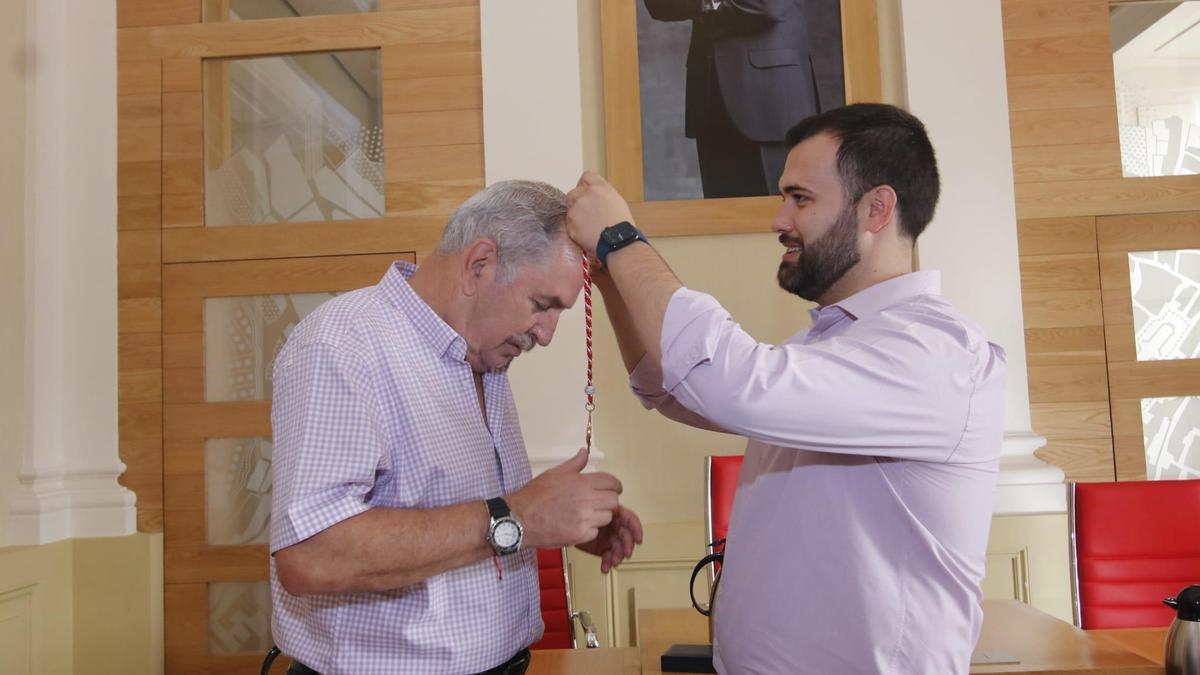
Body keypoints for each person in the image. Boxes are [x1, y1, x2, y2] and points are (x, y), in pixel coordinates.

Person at [567, 103, 1006, 673]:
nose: (779, 220)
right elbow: (678, 390)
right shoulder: (832, 344)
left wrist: (620, 239)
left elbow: (726, 381)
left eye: (800, 198)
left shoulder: (933, 354)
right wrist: (613, 282)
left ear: (877, 209)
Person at [269, 180, 644, 675]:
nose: (547, 334)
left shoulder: (484, 356)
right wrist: (521, 516)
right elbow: (309, 555)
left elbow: (472, 522)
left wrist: (557, 521)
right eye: (542, 304)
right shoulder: (344, 346)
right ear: (478, 264)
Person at [644, 0, 821, 198]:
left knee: (777, 216)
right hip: (710, 93)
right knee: (723, 216)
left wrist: (704, 5)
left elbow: (767, 6)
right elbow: (659, 5)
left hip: (769, 96)